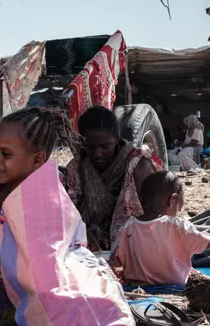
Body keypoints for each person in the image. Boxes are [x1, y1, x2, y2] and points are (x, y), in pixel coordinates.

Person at [0, 107, 76, 326]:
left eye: (6, 154)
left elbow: (58, 257)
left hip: (42, 280)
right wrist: (4, 275)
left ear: (37, 159)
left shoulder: (52, 200)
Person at [64, 105, 161, 252]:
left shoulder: (138, 163)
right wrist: (82, 233)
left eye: (105, 146)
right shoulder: (77, 167)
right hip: (89, 241)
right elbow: (70, 212)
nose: (98, 154)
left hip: (134, 239)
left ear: (116, 138)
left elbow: (153, 213)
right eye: (90, 147)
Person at [110, 171, 210, 286]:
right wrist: (207, 235)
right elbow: (207, 243)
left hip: (138, 287)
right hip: (174, 287)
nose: (179, 210)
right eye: (180, 206)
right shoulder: (177, 225)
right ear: (173, 199)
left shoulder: (129, 226)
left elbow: (118, 258)